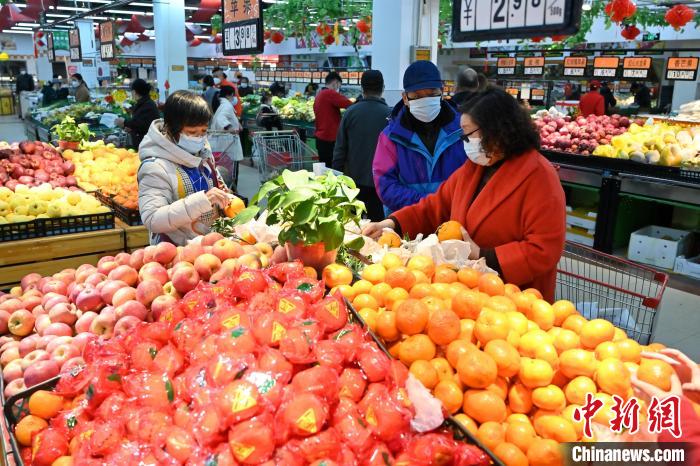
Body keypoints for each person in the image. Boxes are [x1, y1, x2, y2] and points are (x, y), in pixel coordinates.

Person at [364, 86, 566, 301]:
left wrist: (480, 254)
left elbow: (544, 249)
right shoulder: (475, 167)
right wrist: (391, 223)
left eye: (468, 134)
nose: (465, 142)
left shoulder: (539, 176)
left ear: (496, 131)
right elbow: (435, 206)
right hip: (469, 291)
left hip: (515, 299)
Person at [372, 60, 466, 216]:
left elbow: (475, 177)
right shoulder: (390, 137)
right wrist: (429, 205)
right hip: (406, 224)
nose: (425, 101)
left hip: (455, 219)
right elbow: (385, 185)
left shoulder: (462, 130)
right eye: (417, 96)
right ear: (405, 98)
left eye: (431, 94)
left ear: (441, 93)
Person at [137, 90, 229, 245]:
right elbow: (152, 218)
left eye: (203, 131)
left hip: (212, 249)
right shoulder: (155, 167)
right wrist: (202, 201)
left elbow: (216, 186)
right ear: (171, 128)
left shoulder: (203, 154)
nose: (199, 138)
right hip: (177, 254)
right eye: (191, 132)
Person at [332, 70, 390, 222]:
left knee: (352, 228)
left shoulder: (350, 113)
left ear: (362, 88)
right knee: (379, 229)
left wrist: (335, 180)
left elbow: (340, 150)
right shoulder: (390, 116)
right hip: (382, 184)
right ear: (383, 88)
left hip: (353, 184)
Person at [314, 72, 353, 167]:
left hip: (321, 138)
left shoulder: (320, 94)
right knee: (333, 170)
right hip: (330, 139)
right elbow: (349, 104)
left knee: (324, 169)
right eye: (339, 85)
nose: (338, 88)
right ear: (335, 82)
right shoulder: (330, 93)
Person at [210, 86, 244, 189]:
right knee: (232, 169)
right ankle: (232, 190)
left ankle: (229, 188)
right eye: (234, 95)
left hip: (224, 142)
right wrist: (231, 129)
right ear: (230, 95)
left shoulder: (223, 105)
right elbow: (221, 119)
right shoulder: (227, 106)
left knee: (227, 168)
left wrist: (238, 124)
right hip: (228, 143)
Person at [115, 79, 160, 149]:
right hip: (144, 143)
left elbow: (141, 124)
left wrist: (124, 122)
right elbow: (141, 124)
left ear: (134, 91)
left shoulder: (147, 105)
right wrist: (131, 129)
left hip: (147, 146)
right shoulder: (145, 102)